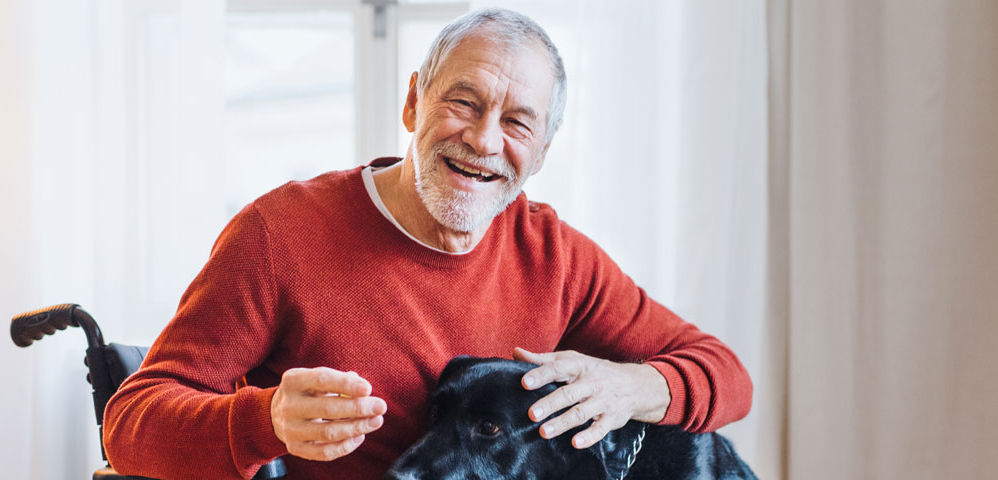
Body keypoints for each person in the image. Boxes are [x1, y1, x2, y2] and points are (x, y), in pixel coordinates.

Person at [103, 7, 752, 480]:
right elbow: (130, 423)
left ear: (543, 151)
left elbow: (726, 375)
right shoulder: (279, 233)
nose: (483, 140)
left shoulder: (557, 255)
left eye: (517, 122)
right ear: (414, 103)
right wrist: (263, 421)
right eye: (464, 103)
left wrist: (629, 387)